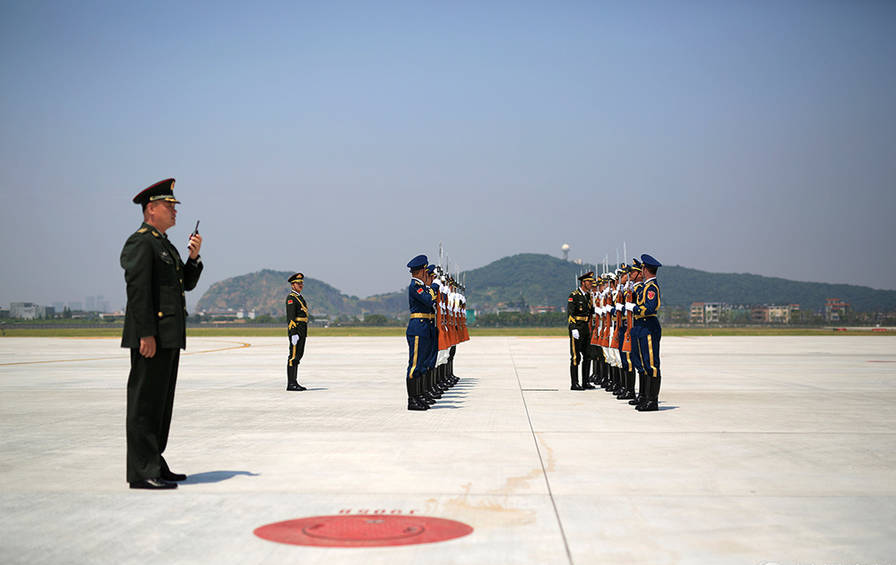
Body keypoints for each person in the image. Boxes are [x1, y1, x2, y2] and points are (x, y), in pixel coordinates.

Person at [120, 178, 203, 490]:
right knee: (144, 404)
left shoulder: (164, 245)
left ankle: (154, 460)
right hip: (152, 337)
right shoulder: (141, 242)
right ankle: (141, 471)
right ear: (151, 209)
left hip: (168, 336)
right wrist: (146, 334)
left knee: (160, 405)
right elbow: (138, 291)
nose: (175, 210)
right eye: (169, 206)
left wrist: (193, 257)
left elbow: (185, 285)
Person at [406, 254, 437, 410]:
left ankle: (419, 395)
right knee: (415, 365)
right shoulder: (415, 286)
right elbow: (428, 300)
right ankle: (412, 400)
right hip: (418, 327)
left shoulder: (423, 286)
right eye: (425, 270)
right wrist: (434, 287)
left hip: (426, 327)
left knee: (423, 364)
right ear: (420, 271)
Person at [634, 254, 662, 411]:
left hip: (649, 326)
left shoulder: (651, 288)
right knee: (645, 363)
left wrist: (635, 309)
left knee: (652, 364)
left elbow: (650, 308)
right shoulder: (645, 287)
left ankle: (653, 400)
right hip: (643, 326)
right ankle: (646, 398)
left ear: (645, 269)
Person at [567, 272, 594, 390]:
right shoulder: (574, 295)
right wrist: (573, 328)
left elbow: (591, 312)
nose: (591, 284)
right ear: (583, 283)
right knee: (575, 357)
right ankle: (574, 383)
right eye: (589, 282)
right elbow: (570, 314)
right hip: (577, 328)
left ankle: (585, 381)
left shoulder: (588, 296)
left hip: (586, 328)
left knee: (587, 356)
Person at [286, 273, 309, 391]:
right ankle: (291, 383)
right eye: (298, 283)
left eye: (301, 283)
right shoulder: (291, 298)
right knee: (293, 356)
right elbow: (291, 317)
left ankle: (295, 382)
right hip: (296, 329)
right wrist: (293, 333)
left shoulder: (300, 297)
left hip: (302, 328)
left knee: (299, 355)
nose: (301, 285)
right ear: (293, 285)